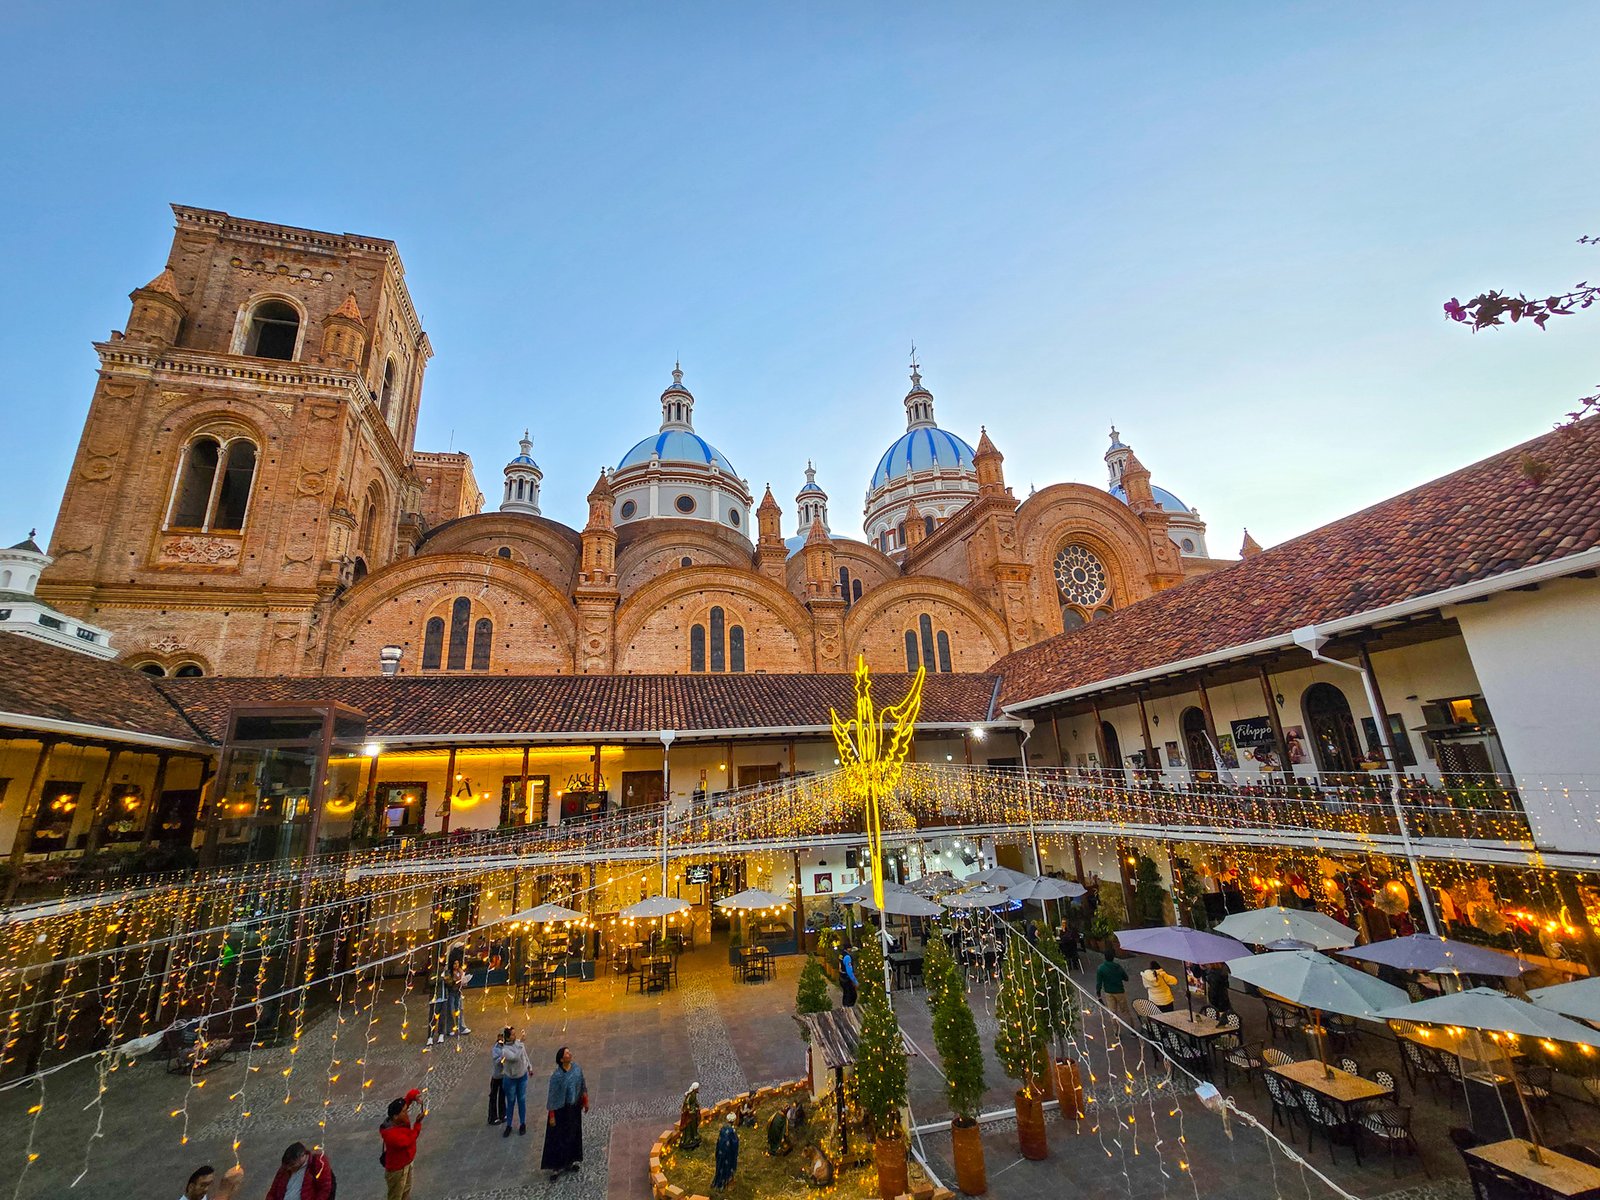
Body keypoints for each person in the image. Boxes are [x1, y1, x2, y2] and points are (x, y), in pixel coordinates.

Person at [541, 1044, 587, 1179]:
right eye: (567, 1053)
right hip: (560, 1110)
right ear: (561, 1059)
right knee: (558, 1139)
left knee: (573, 1134)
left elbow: (582, 1084)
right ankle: (556, 1166)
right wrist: (552, 1115)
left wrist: (585, 1100)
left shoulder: (576, 1069)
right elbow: (552, 1096)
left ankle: (570, 1161)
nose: (570, 1054)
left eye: (569, 1052)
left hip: (574, 1107)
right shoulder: (557, 1076)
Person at [379, 1090, 425, 1200]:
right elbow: (410, 1139)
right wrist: (417, 1123)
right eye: (404, 1112)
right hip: (397, 1170)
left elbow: (407, 1100)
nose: (407, 1113)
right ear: (395, 1116)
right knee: (396, 1196)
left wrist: (414, 1096)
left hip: (407, 1163)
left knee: (406, 1191)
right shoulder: (391, 1135)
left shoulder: (399, 1119)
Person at [263, 1142, 334, 1200]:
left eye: (293, 1164)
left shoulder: (317, 1163)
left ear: (302, 1156)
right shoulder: (285, 1167)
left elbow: (325, 1189)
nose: (289, 1168)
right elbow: (273, 1191)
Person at [498, 1026, 530, 1136]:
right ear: (507, 1037)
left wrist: (529, 1066)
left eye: (514, 1033)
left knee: (521, 1100)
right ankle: (509, 1125)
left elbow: (524, 1055)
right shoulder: (505, 1050)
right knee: (511, 1101)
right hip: (511, 1079)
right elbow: (515, 1057)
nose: (515, 1036)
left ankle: (522, 1123)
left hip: (522, 1076)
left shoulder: (518, 1043)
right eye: (512, 1034)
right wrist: (521, 1044)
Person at [1095, 947, 1129, 1016]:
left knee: (1112, 1013)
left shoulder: (1101, 968)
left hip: (1108, 992)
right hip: (1119, 991)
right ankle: (1129, 1023)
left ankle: (1115, 1023)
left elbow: (1099, 983)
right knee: (1125, 1011)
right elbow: (1126, 978)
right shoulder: (1118, 967)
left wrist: (1098, 994)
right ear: (1113, 957)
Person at [713, 1112, 740, 1189]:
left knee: (720, 1166)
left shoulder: (723, 1129)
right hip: (728, 1154)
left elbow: (719, 1141)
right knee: (728, 1167)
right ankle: (727, 1180)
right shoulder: (732, 1131)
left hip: (721, 1153)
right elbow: (734, 1143)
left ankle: (719, 1180)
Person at [488, 1030, 507, 1125]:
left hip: (504, 1076)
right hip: (496, 1076)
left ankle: (503, 1114)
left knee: (502, 1096)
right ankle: (492, 1117)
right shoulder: (496, 1048)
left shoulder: (506, 1046)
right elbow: (497, 1062)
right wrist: (503, 1057)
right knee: (493, 1096)